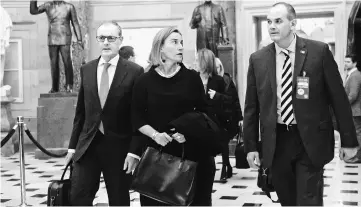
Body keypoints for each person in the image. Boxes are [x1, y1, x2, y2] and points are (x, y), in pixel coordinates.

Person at [243, 2, 359, 206]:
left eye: (278, 21)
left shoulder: (319, 52)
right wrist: (251, 145)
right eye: (269, 21)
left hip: (311, 141)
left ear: (293, 23)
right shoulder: (258, 59)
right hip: (277, 142)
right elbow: (251, 107)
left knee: (308, 200)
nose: (271, 26)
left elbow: (339, 99)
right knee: (287, 201)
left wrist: (349, 141)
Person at [129, 27, 216, 206]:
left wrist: (188, 131)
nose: (180, 47)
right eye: (175, 42)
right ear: (160, 47)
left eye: (181, 43)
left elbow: (204, 112)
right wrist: (155, 135)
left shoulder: (192, 78)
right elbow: (136, 116)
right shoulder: (144, 81)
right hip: (156, 158)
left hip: (191, 154)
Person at [65, 21, 144, 206]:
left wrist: (134, 152)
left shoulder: (134, 71)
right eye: (102, 38)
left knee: (119, 200)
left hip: (119, 148)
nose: (106, 42)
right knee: (78, 197)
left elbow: (138, 116)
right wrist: (71, 147)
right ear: (97, 41)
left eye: (111, 38)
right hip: (88, 146)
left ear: (120, 40)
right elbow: (81, 113)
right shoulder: (87, 69)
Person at [30, 0, 83, 93]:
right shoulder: (47, 5)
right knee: (54, 63)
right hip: (52, 37)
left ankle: (69, 86)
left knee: (67, 61)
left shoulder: (69, 6)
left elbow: (75, 23)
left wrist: (79, 39)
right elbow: (33, 11)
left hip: (65, 36)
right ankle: (55, 88)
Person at [214, 57, 243, 180]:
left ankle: (226, 167)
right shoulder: (211, 81)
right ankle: (227, 166)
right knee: (222, 142)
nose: (217, 69)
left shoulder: (227, 80)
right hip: (216, 118)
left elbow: (234, 100)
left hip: (229, 118)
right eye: (214, 67)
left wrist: (240, 118)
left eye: (218, 67)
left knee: (224, 141)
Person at [344, 54, 361, 163]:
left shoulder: (355, 75)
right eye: (345, 61)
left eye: (348, 62)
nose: (345, 64)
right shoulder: (352, 74)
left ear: (354, 63)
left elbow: (353, 95)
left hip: (355, 110)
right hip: (355, 110)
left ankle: (357, 157)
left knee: (357, 133)